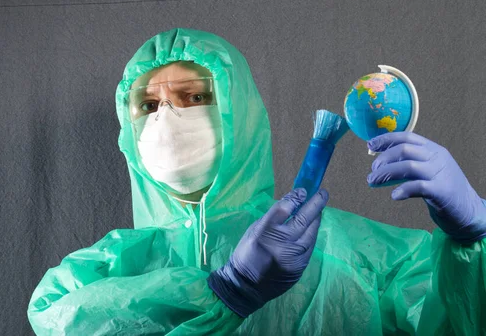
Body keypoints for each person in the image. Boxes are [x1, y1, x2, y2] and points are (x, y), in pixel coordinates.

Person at [27, 28, 486, 335]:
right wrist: (226, 293)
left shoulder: (350, 255)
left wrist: (471, 246)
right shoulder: (101, 272)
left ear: (238, 113)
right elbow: (56, 321)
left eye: (194, 97)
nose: (167, 118)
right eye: (148, 106)